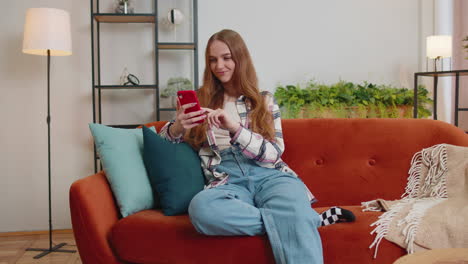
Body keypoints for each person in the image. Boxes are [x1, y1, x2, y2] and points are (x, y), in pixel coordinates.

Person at [160, 29, 354, 264]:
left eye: (226, 57)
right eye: (213, 59)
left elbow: (274, 155)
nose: (219, 65)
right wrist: (177, 127)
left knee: (290, 201)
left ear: (240, 58)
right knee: (202, 210)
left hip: (270, 176)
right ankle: (305, 219)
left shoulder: (264, 100)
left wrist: (236, 129)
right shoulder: (201, 100)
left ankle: (297, 216)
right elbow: (163, 146)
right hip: (226, 179)